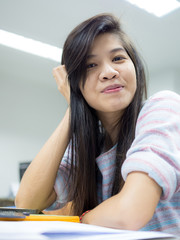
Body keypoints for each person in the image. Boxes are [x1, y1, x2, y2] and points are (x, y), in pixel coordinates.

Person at [15, 13, 180, 234]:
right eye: (91, 65)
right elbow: (27, 202)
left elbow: (130, 212)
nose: (109, 72)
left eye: (118, 59)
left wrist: (83, 218)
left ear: (136, 67)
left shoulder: (163, 108)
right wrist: (73, 108)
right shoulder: (88, 144)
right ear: (75, 84)